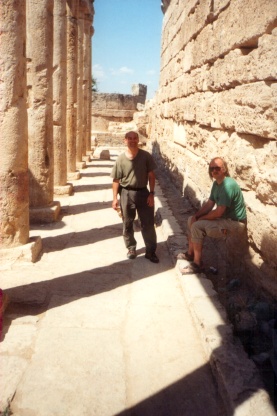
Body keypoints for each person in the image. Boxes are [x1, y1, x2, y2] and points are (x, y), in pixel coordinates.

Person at [179, 157, 247, 275]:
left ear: (224, 169)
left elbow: (219, 212)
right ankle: (190, 254)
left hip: (235, 223)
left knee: (197, 226)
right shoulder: (217, 184)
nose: (214, 170)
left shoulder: (228, 185)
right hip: (225, 219)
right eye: (212, 168)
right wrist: (197, 215)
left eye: (217, 168)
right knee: (191, 220)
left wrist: (202, 218)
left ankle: (197, 264)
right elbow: (210, 204)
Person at [111, 131, 159, 263]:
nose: (132, 141)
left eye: (135, 138)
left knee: (148, 223)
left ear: (138, 140)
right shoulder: (121, 159)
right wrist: (115, 198)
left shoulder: (146, 156)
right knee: (127, 222)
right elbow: (116, 180)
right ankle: (131, 248)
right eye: (129, 139)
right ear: (125, 140)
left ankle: (150, 251)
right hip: (126, 193)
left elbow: (151, 176)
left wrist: (152, 193)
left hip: (143, 192)